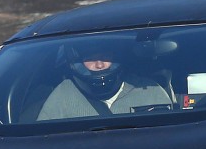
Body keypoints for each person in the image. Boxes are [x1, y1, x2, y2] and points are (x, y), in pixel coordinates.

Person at [37, 50, 172, 120]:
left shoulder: (149, 91)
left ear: (116, 57)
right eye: (91, 58)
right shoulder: (63, 95)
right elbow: (42, 144)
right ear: (78, 61)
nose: (99, 64)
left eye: (105, 56)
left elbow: (169, 139)